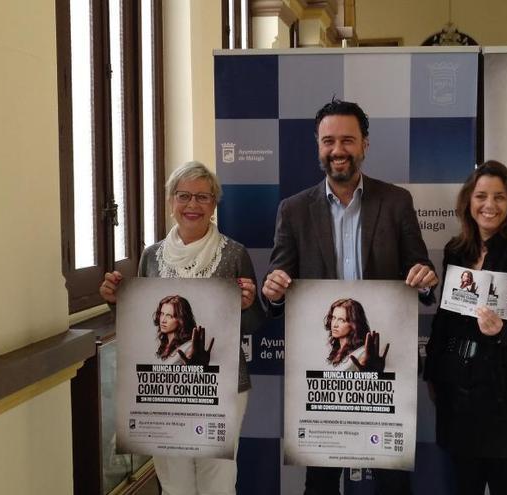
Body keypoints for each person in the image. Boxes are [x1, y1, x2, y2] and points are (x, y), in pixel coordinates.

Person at [261, 99, 438, 495]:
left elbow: (420, 271)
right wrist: (272, 292)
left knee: (393, 483)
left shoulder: (396, 202)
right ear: (318, 147)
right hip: (323, 368)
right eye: (328, 141)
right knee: (320, 483)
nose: (337, 150)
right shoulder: (293, 211)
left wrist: (425, 279)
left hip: (382, 368)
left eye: (347, 140)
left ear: (365, 145)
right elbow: (278, 284)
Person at [100, 161, 264, 495]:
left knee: (218, 482)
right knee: (174, 484)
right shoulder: (151, 256)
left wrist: (247, 306)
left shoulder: (234, 254)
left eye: (203, 197)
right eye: (184, 196)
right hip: (164, 388)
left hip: (222, 386)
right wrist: (116, 301)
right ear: (171, 202)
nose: (192, 205)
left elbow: (254, 323)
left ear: (214, 204)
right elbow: (142, 323)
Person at [424, 161, 507, 495]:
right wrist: (433, 373)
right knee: (465, 486)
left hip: (505, 396)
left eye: (499, 197)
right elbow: (445, 321)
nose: (489, 205)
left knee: (504, 487)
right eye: (481, 196)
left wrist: (500, 331)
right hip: (459, 396)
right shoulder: (457, 250)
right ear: (468, 201)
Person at [324, 298, 387, 372]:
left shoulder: (363, 353)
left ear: (354, 324)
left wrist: (373, 374)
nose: (334, 324)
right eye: (333, 318)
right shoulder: (337, 351)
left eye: (342, 320)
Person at [153, 294, 212, 365]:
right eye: (162, 314)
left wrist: (199, 368)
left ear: (182, 319)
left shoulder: (189, 347)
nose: (163, 320)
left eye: (169, 316)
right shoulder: (165, 346)